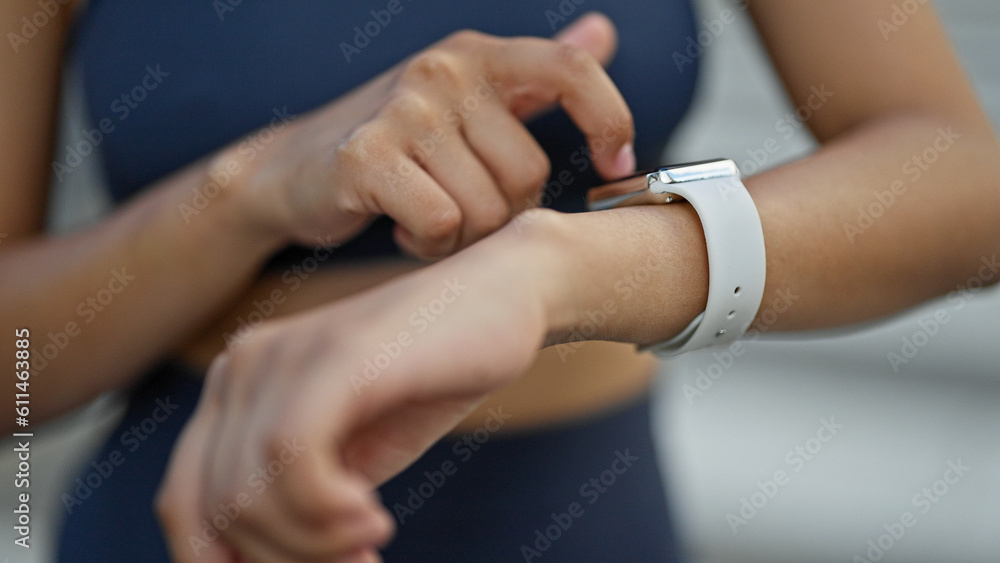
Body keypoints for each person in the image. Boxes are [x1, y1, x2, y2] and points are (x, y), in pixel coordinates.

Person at [1, 1, 997, 562]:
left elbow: (961, 183)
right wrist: (251, 185)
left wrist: (560, 265)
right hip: (202, 527)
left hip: (583, 520)